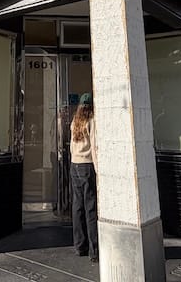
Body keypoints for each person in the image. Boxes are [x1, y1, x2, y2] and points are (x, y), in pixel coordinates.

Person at [70, 92, 98, 262]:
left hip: (75, 165)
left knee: (77, 207)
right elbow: (94, 146)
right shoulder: (92, 121)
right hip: (87, 166)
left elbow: (73, 146)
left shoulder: (75, 122)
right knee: (90, 208)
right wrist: (97, 168)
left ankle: (80, 246)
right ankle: (94, 251)